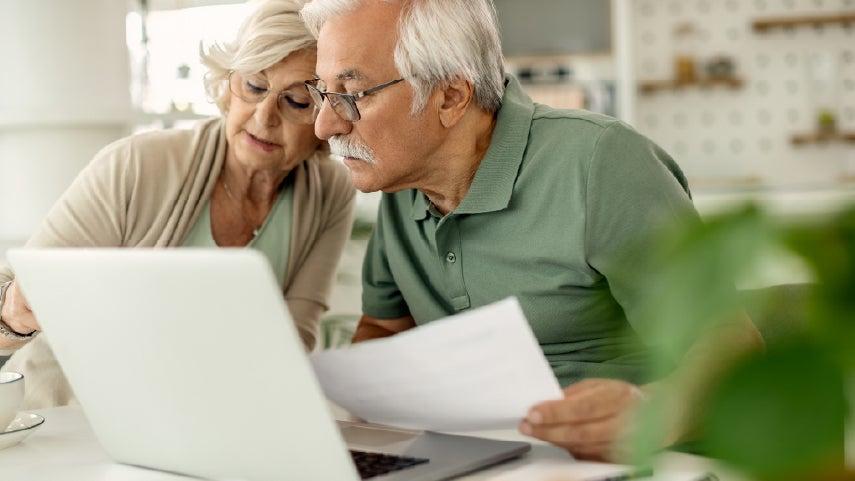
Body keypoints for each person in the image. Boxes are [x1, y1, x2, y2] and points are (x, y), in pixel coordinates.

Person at [299, 0, 763, 460]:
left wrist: (650, 414)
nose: (325, 125)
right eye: (323, 91)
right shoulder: (402, 183)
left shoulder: (601, 163)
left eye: (353, 95)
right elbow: (383, 328)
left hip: (640, 462)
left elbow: (733, 350)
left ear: (450, 96)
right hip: (488, 459)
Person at [0, 0, 355, 408]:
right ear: (227, 85)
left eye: (296, 102)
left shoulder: (330, 193)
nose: (263, 118)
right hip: (71, 415)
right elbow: (22, 288)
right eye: (254, 86)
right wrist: (15, 313)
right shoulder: (135, 164)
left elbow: (294, 337)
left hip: (210, 418)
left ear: (326, 118)